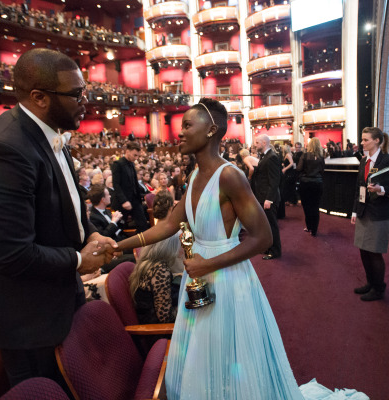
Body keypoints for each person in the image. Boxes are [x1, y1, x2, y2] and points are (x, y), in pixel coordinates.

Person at [110, 98, 368, 399]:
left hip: (229, 282)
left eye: (187, 125)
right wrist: (118, 246)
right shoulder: (193, 177)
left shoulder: (230, 176)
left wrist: (208, 264)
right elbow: (168, 226)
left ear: (211, 130)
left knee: (231, 359)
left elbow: (263, 238)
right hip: (198, 283)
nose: (180, 132)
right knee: (203, 358)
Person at [0, 49, 117, 389]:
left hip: (57, 290)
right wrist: (79, 258)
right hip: (25, 314)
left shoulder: (52, 131)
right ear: (39, 98)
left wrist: (89, 234)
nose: (86, 101)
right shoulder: (3, 150)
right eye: (77, 94)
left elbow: (65, 205)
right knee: (46, 391)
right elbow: (11, 254)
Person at [351, 127, 389, 301]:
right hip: (364, 211)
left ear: (377, 141)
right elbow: (359, 187)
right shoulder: (364, 161)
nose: (362, 143)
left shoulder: (388, 160)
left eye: (366, 140)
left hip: (379, 213)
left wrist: (382, 189)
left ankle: (379, 289)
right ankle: (370, 283)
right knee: (364, 251)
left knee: (374, 252)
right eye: (362, 139)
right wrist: (354, 210)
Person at [129, 191, 181, 325]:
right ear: (169, 249)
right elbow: (165, 317)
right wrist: (188, 309)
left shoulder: (149, 262)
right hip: (157, 332)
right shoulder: (160, 271)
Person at [253, 134, 282, 259]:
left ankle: (275, 251)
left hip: (268, 198)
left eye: (257, 142)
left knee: (272, 226)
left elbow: (275, 181)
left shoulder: (271, 157)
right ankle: (269, 248)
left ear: (264, 143)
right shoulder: (266, 156)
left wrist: (269, 199)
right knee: (267, 226)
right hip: (263, 197)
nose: (255, 145)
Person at [111, 141, 149, 232]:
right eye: (134, 155)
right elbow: (116, 184)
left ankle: (140, 244)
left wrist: (145, 194)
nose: (136, 158)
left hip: (134, 199)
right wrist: (124, 201)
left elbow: (134, 183)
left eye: (138, 156)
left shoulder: (132, 164)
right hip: (122, 201)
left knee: (143, 224)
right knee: (120, 227)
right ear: (127, 151)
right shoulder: (118, 164)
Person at [297, 138, 325, 237]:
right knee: (315, 206)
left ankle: (309, 226)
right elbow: (322, 171)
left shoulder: (304, 155)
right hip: (317, 183)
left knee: (306, 206)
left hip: (305, 183)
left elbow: (299, 168)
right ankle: (314, 230)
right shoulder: (321, 157)